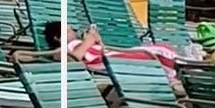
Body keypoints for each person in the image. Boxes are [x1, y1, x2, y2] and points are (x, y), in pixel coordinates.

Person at [44, 20, 179, 74]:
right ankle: (179, 67)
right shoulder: (60, 50)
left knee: (158, 49)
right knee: (154, 53)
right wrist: (89, 41)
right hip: (109, 62)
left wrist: (97, 40)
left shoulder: (78, 43)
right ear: (58, 38)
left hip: (110, 55)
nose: (73, 32)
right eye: (68, 31)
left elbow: (101, 50)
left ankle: (180, 65)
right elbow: (74, 59)